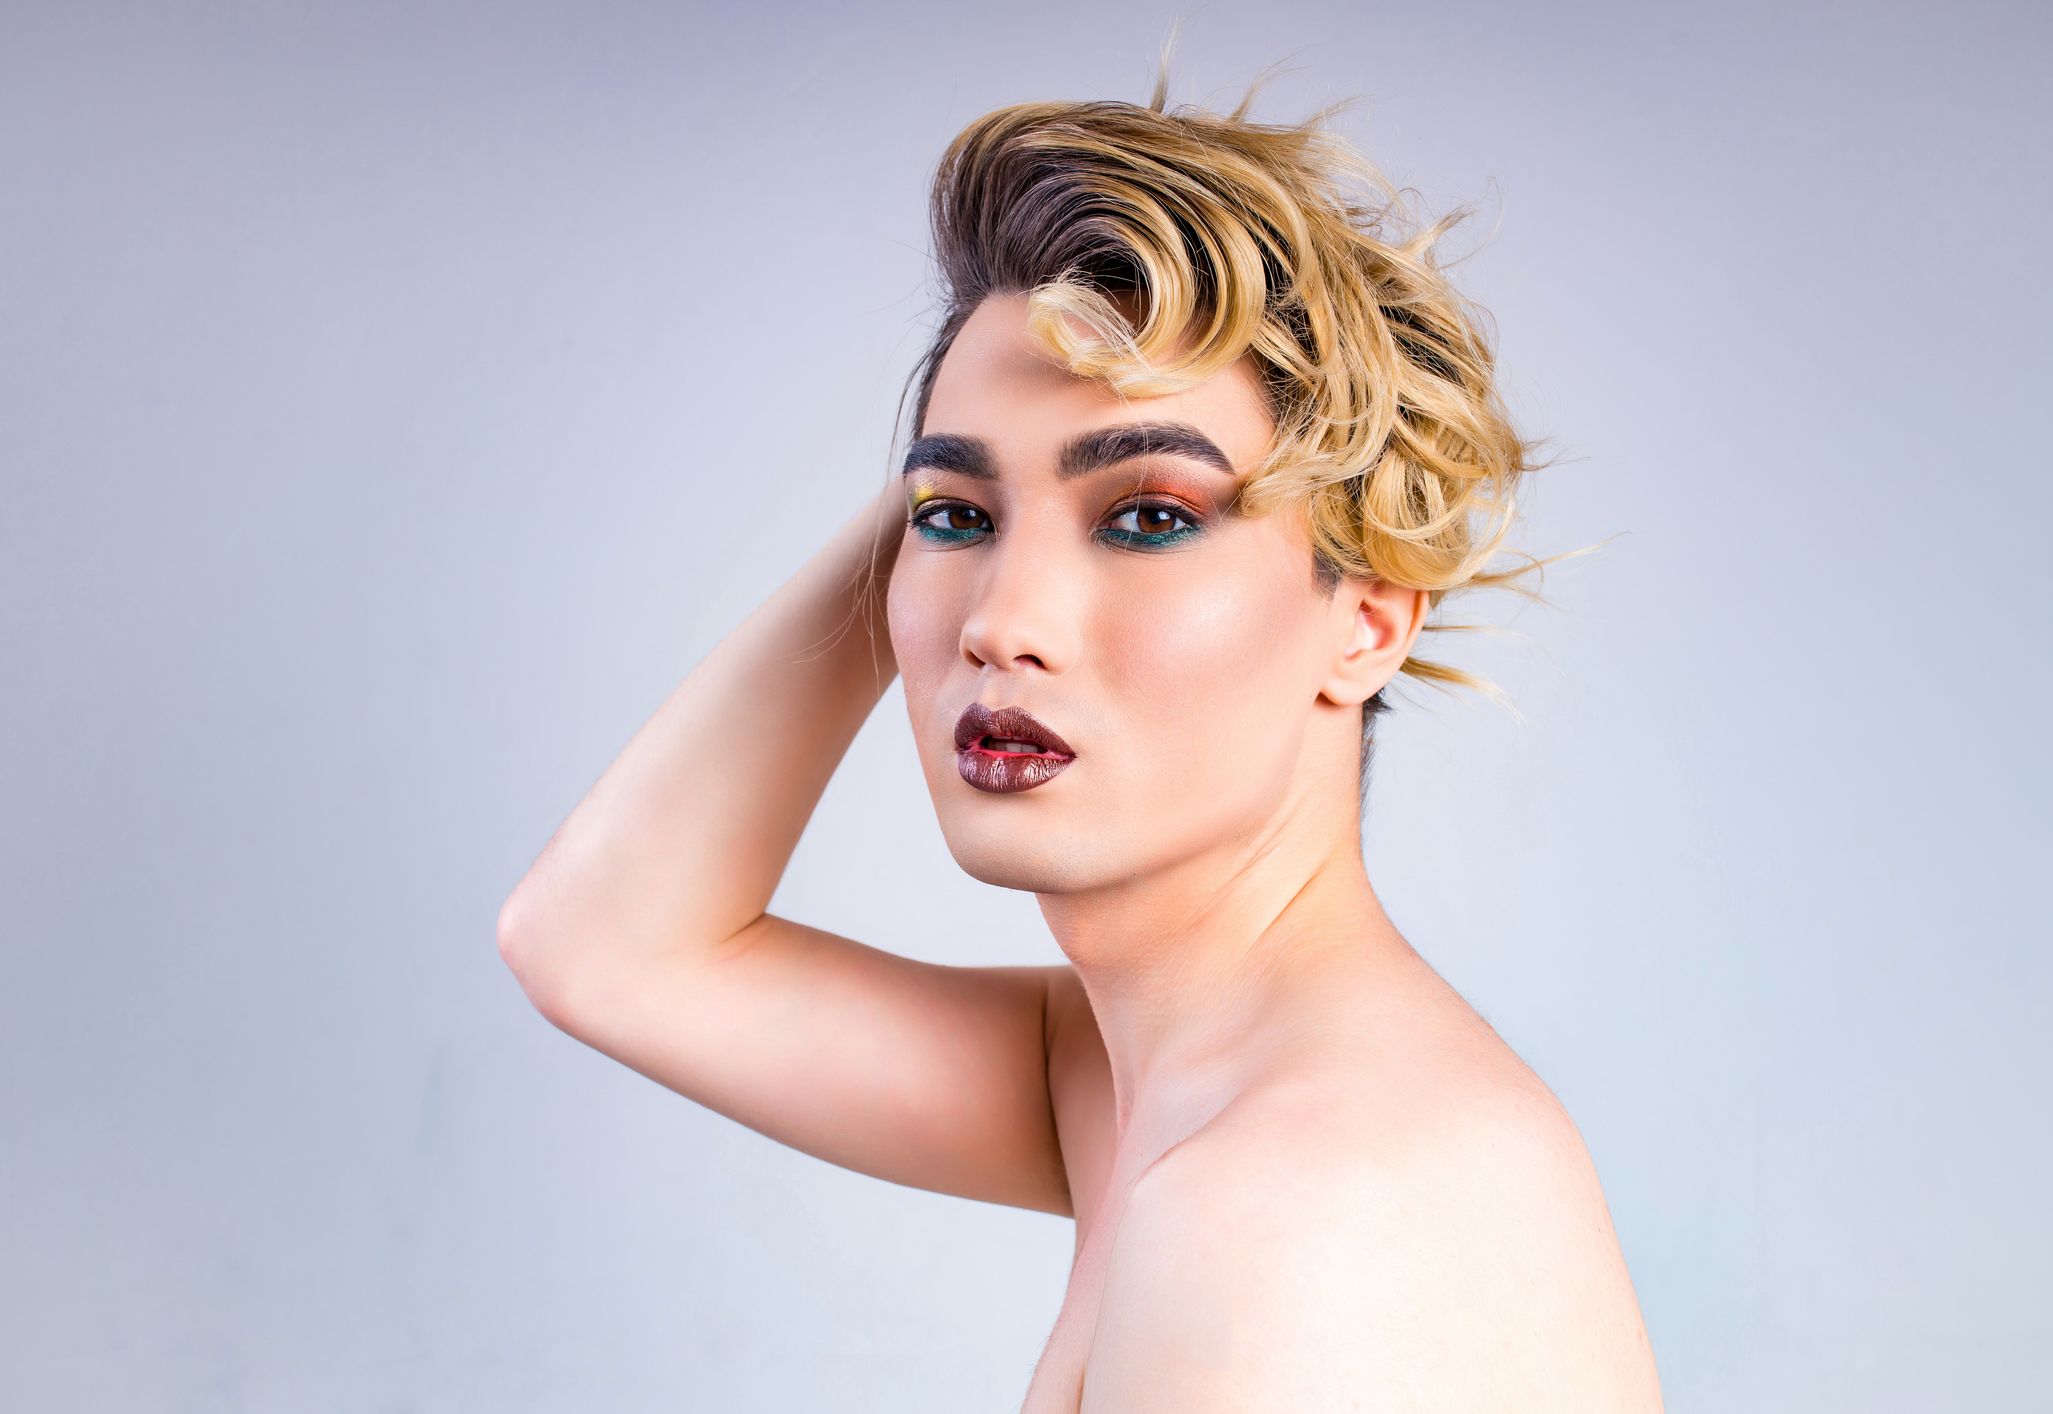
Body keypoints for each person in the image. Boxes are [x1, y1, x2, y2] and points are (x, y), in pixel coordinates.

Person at [498, 88, 1663, 1412]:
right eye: (954, 520)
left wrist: (985, 475)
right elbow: (600, 942)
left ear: (1367, 622)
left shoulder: (1295, 1203)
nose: (1003, 623)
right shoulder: (1126, 1075)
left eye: (1150, 516)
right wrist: (964, 472)